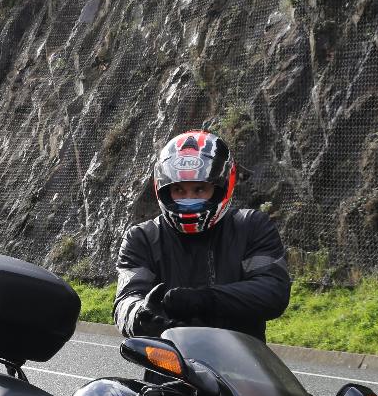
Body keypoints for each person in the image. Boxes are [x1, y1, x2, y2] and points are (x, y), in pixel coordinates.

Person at [114, 130, 291, 342]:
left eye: (199, 190)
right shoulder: (141, 238)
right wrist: (142, 314)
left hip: (240, 361)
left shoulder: (252, 226)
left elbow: (273, 291)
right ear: (163, 189)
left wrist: (204, 299)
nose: (188, 199)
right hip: (170, 362)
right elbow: (126, 300)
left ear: (221, 186)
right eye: (178, 190)